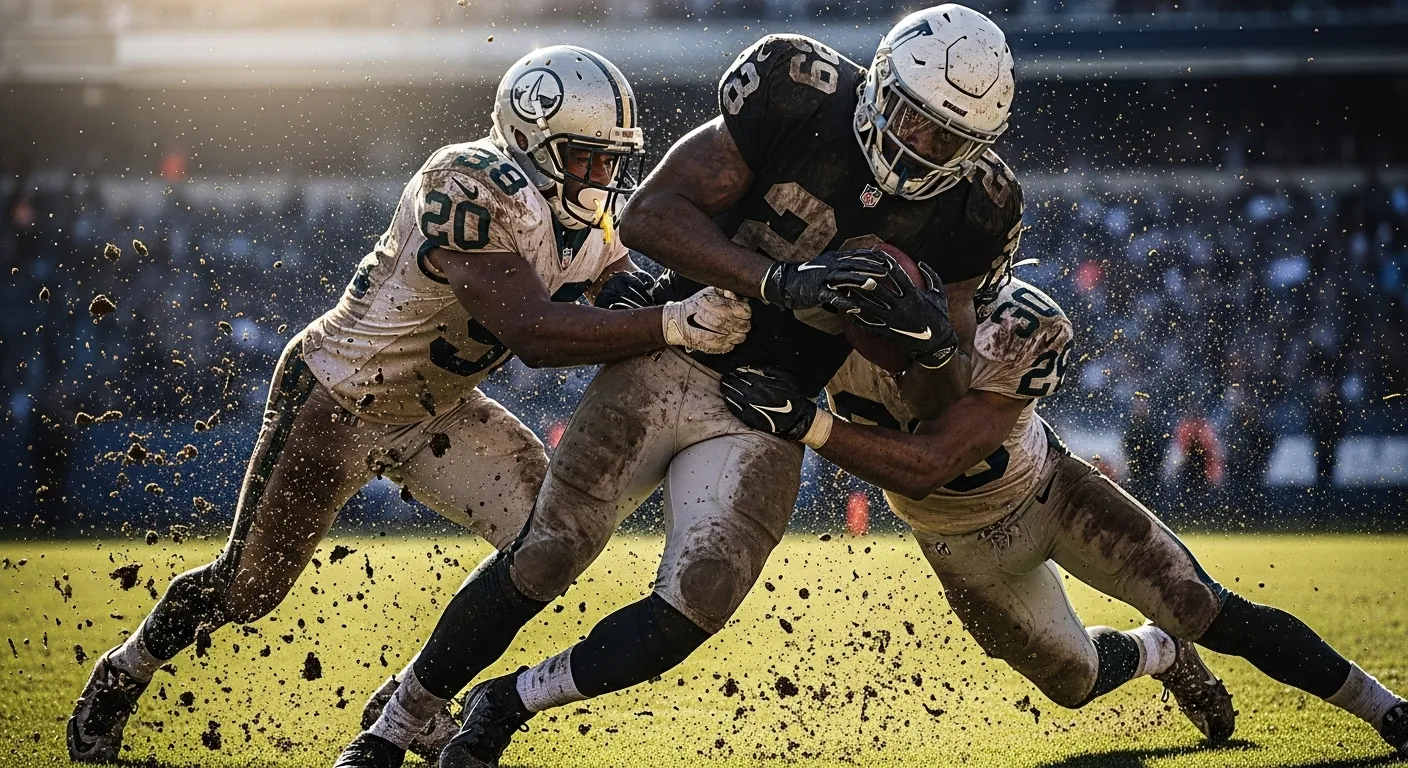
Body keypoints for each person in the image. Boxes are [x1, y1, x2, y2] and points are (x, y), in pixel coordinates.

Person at [339, 5, 1024, 767]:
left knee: (699, 599)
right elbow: (648, 217)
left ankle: (508, 702)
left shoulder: (977, 209)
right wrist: (779, 281)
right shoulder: (799, 95)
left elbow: (939, 403)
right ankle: (394, 727)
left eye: (947, 137)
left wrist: (927, 343)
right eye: (909, 114)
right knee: (547, 553)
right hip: (682, 349)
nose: (918, 143)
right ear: (880, 83)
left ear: (978, 147)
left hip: (768, 404)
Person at [66, 46, 752, 764]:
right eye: (585, 159)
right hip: (337, 402)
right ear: (529, 139)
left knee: (552, 541)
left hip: (441, 412)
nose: (601, 177)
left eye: (610, 161)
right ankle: (122, 673)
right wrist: (672, 322)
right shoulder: (467, 182)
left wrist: (705, 306)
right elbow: (531, 332)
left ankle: (407, 702)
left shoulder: (585, 215)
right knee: (248, 589)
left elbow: (622, 289)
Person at [718, 275, 1408, 757]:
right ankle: (1156, 652)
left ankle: (1387, 710)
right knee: (1074, 682)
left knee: (1202, 604)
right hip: (958, 549)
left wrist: (808, 422)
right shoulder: (820, 331)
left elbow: (933, 460)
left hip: (1051, 492)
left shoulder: (1018, 322)